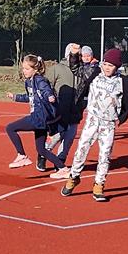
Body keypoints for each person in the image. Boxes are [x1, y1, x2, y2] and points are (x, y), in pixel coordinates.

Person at [61, 47, 128, 201]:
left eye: (111, 65)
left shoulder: (123, 81)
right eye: (105, 64)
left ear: (117, 67)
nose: (107, 68)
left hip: (108, 124)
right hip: (92, 120)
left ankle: (99, 184)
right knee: (81, 149)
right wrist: (74, 54)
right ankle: (74, 176)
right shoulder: (94, 73)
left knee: (105, 155)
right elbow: (75, 69)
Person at [5, 54, 68, 178]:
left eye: (27, 69)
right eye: (23, 68)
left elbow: (46, 90)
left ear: (35, 69)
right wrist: (15, 97)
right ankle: (63, 168)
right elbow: (30, 97)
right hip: (40, 119)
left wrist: (49, 96)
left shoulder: (39, 80)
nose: (24, 71)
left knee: (10, 128)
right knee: (41, 149)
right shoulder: (29, 82)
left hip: (39, 117)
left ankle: (22, 155)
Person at [39, 44, 78, 178]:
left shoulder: (82, 71)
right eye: (74, 54)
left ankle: (60, 161)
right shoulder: (57, 68)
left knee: (70, 137)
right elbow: (45, 83)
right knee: (57, 135)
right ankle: (43, 154)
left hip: (75, 110)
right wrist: (50, 98)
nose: (76, 57)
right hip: (60, 109)